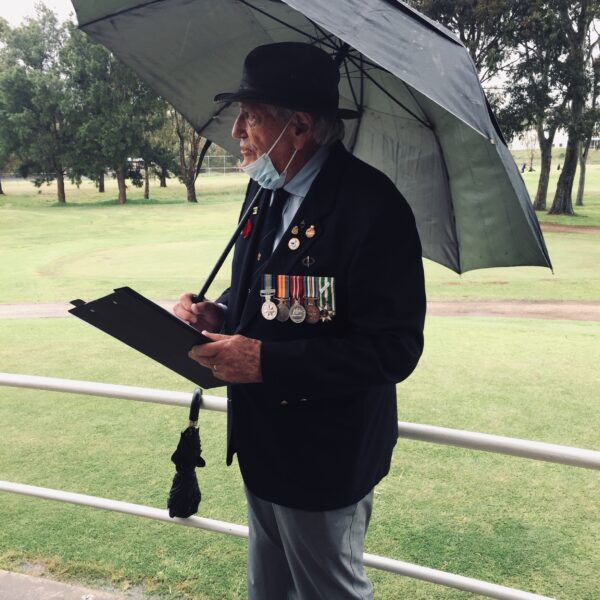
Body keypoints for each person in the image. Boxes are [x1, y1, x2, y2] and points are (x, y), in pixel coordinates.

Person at [174, 42, 426, 600]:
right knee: (268, 590)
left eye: (252, 116)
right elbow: (267, 298)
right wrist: (216, 312)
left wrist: (265, 361)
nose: (237, 130)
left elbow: (395, 348)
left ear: (301, 126)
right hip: (261, 444)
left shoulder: (372, 209)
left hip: (324, 457)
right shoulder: (263, 191)